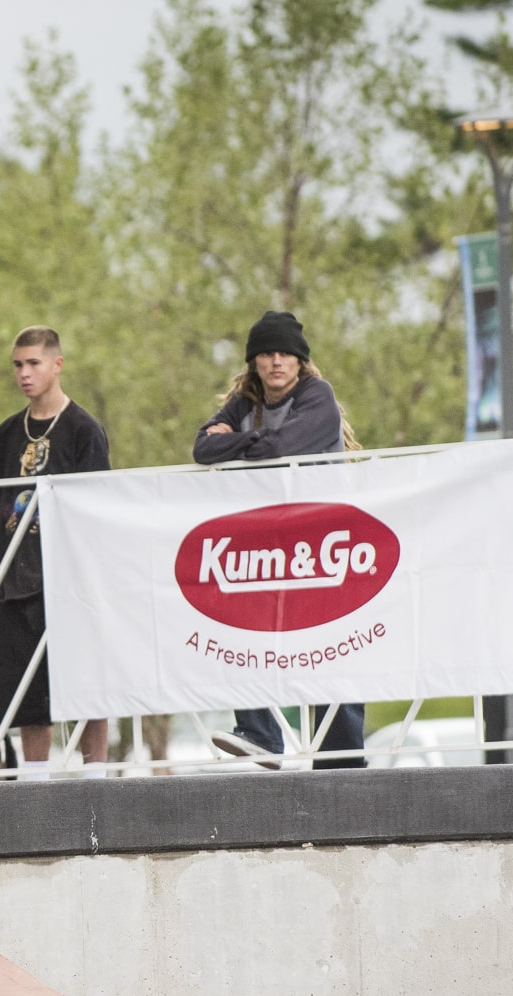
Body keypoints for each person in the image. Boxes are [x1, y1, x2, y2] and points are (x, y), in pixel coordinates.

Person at [195, 310, 367, 769]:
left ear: (299, 361)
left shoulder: (318, 396)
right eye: (266, 354)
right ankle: (260, 735)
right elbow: (201, 449)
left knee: (328, 643)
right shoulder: (243, 402)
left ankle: (342, 759)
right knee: (247, 631)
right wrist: (249, 437)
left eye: (284, 354)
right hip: (270, 545)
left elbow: (278, 449)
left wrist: (240, 439)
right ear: (254, 362)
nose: (275, 362)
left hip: (323, 542)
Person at [0, 326, 111, 777]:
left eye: (33, 363)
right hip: (14, 583)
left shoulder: (83, 430)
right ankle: (34, 786)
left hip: (68, 582)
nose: (24, 373)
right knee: (27, 697)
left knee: (87, 686)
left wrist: (91, 583)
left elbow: (98, 513)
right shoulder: (5, 434)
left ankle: (96, 779)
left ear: (57, 364)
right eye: (18, 364)